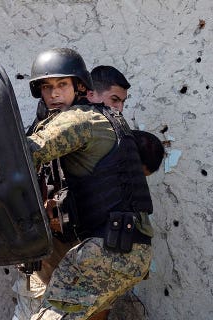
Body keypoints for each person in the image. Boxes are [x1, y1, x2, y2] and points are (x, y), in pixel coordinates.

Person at [16, 48, 154, 320]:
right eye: (46, 87)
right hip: (105, 246)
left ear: (80, 87)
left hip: (105, 247)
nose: (54, 94)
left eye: (62, 85)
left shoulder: (80, 119)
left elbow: (25, 154)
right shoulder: (102, 119)